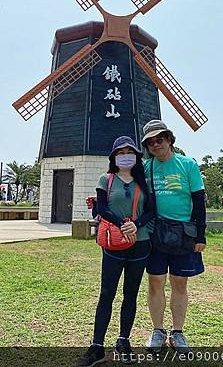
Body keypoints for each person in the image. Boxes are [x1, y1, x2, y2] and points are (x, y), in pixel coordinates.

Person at [78, 136, 155, 367]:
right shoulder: (106, 179)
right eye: (120, 152)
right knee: (107, 293)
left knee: (130, 294)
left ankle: (123, 341)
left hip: (140, 243)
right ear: (114, 157)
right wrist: (124, 224)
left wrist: (137, 224)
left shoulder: (144, 181)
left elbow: (151, 211)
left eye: (129, 151)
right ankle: (97, 346)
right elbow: (102, 208)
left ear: (137, 156)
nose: (125, 156)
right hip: (114, 243)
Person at [141, 120, 206, 354]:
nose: (155, 144)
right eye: (150, 142)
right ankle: (158, 331)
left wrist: (201, 235)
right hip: (155, 233)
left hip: (184, 234)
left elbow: (199, 202)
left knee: (180, 283)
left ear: (169, 139)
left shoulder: (187, 165)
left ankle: (177, 333)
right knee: (155, 282)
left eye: (160, 139)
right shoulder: (145, 167)